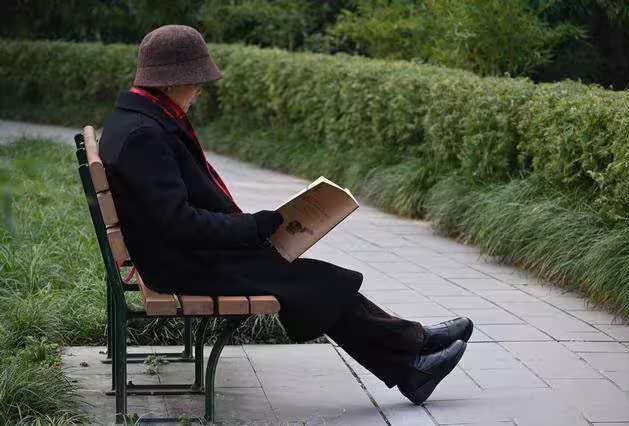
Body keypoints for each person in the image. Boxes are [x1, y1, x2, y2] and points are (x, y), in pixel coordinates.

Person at [99, 25, 472, 405]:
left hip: (181, 255)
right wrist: (252, 226)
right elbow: (178, 222)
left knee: (315, 278)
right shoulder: (145, 134)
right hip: (181, 265)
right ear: (171, 81)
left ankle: (414, 353)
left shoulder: (140, 121)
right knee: (315, 281)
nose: (199, 90)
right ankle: (413, 357)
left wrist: (255, 227)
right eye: (196, 82)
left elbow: (173, 217)